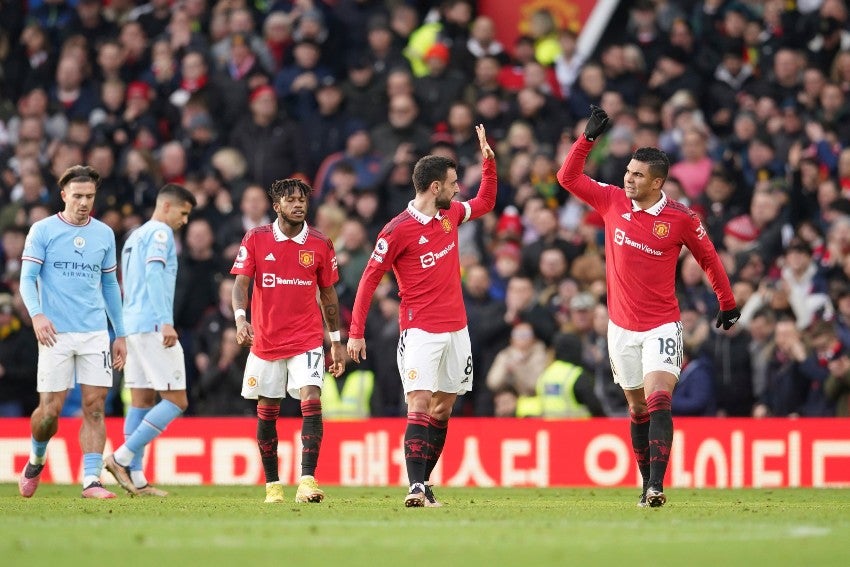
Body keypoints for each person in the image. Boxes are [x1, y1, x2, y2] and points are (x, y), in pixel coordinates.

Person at [557, 106, 740, 508]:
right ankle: (646, 484)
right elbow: (566, 177)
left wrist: (726, 302)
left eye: (638, 175)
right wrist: (587, 138)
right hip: (621, 328)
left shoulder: (680, 218)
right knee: (637, 408)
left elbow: (708, 258)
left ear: (658, 182)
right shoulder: (611, 201)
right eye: (628, 172)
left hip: (662, 325)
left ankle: (656, 486)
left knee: (659, 399)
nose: (629, 179)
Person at [347, 125, 497, 507]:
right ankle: (414, 487)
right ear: (434, 187)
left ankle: (425, 483)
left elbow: (485, 202)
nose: (458, 189)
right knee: (419, 401)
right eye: (453, 183)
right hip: (419, 331)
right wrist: (356, 332)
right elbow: (368, 280)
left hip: (456, 331)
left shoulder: (450, 217)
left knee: (443, 409)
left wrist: (489, 163)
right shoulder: (397, 230)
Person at [231, 178, 346, 504]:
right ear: (277, 205)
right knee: (268, 410)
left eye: (302, 200)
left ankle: (308, 481)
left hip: (306, 338)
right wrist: (241, 320)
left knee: (311, 398)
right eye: (290, 200)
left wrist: (335, 341)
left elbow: (328, 294)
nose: (298, 205)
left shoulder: (321, 243)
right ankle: (273, 486)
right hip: (266, 340)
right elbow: (240, 285)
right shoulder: (256, 238)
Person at [18, 165, 128, 499]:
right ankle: (37, 457)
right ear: (64, 194)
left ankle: (91, 480)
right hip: (55, 333)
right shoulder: (43, 230)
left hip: (95, 331)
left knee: (95, 406)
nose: (83, 203)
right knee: (49, 412)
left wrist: (119, 333)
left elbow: (109, 284)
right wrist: (37, 316)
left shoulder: (104, 234)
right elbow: (26, 279)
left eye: (89, 196)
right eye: (77, 196)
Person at [103, 184, 196, 497]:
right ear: (167, 207)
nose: (185, 221)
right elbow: (154, 273)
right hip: (154, 326)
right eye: (183, 213)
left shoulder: (134, 236)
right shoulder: (160, 234)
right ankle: (121, 458)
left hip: (133, 327)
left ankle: (138, 480)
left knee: (142, 401)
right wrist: (165, 321)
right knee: (177, 400)